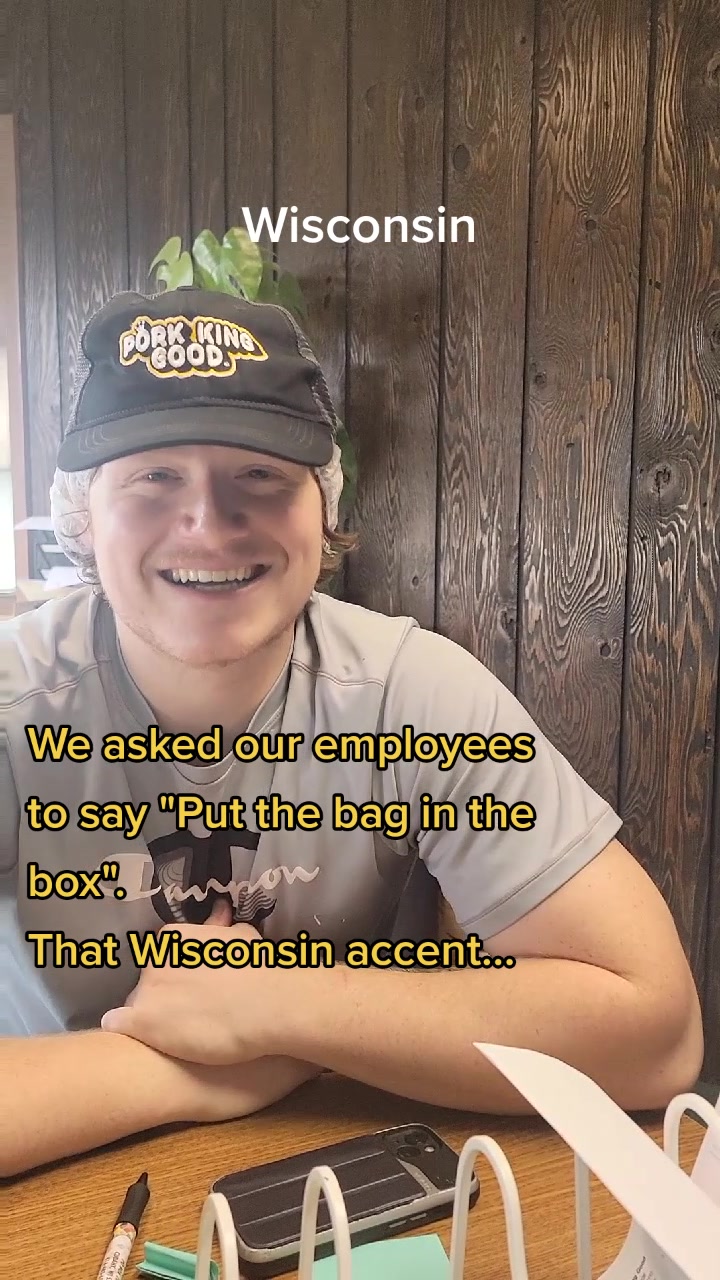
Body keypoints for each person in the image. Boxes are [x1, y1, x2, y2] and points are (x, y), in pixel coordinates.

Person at [0, 286, 703, 1179]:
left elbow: (656, 1033)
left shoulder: (412, 694)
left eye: (261, 474)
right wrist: (188, 1074)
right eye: (153, 478)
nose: (208, 524)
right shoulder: (15, 705)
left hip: (322, 1176)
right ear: (83, 517)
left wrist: (274, 1006)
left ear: (322, 506)